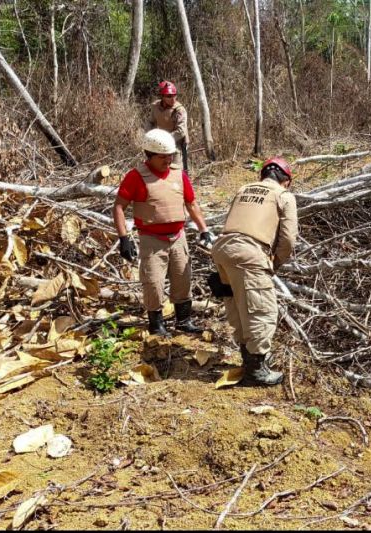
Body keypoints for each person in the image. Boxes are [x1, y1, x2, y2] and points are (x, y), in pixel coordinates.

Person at [113, 128, 215, 336]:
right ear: (149, 155)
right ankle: (156, 324)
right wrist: (124, 238)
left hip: (178, 237)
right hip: (151, 239)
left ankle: (184, 321)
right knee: (153, 282)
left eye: (170, 156)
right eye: (162, 157)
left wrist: (204, 230)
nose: (167, 160)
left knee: (182, 279)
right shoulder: (136, 177)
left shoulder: (179, 174)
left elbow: (191, 204)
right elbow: (119, 207)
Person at [210, 157, 298, 386]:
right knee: (262, 311)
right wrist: (273, 265)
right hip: (249, 253)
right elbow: (288, 239)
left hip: (222, 248)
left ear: (262, 175)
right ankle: (256, 371)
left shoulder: (244, 189)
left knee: (238, 305)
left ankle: (250, 358)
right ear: (286, 181)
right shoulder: (283, 195)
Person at [144, 80, 190, 172]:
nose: (173, 99)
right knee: (155, 169)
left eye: (174, 95)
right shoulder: (156, 106)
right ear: (162, 96)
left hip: (176, 144)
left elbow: (181, 131)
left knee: (176, 171)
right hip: (159, 143)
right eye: (169, 96)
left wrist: (165, 139)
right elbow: (150, 121)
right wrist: (150, 136)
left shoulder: (179, 110)